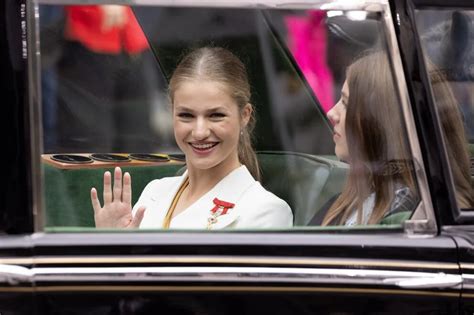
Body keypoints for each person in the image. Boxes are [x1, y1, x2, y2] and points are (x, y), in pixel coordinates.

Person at [90, 47, 293, 229]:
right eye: (186, 115)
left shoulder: (267, 210)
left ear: (245, 115)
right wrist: (112, 245)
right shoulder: (155, 191)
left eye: (216, 115)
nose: (199, 132)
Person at [310, 51, 418, 226]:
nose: (331, 113)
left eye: (346, 103)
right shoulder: (347, 201)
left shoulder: (405, 219)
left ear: (380, 120)